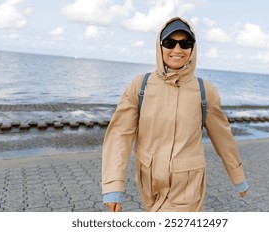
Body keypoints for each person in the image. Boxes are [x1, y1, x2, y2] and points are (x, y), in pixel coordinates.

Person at [102, 17, 248, 212]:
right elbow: (119, 134)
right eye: (170, 43)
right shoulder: (140, 86)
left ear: (193, 49)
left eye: (185, 43)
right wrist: (113, 185)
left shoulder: (205, 91)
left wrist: (237, 176)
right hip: (149, 184)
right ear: (160, 46)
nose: (177, 50)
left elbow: (223, 137)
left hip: (187, 186)